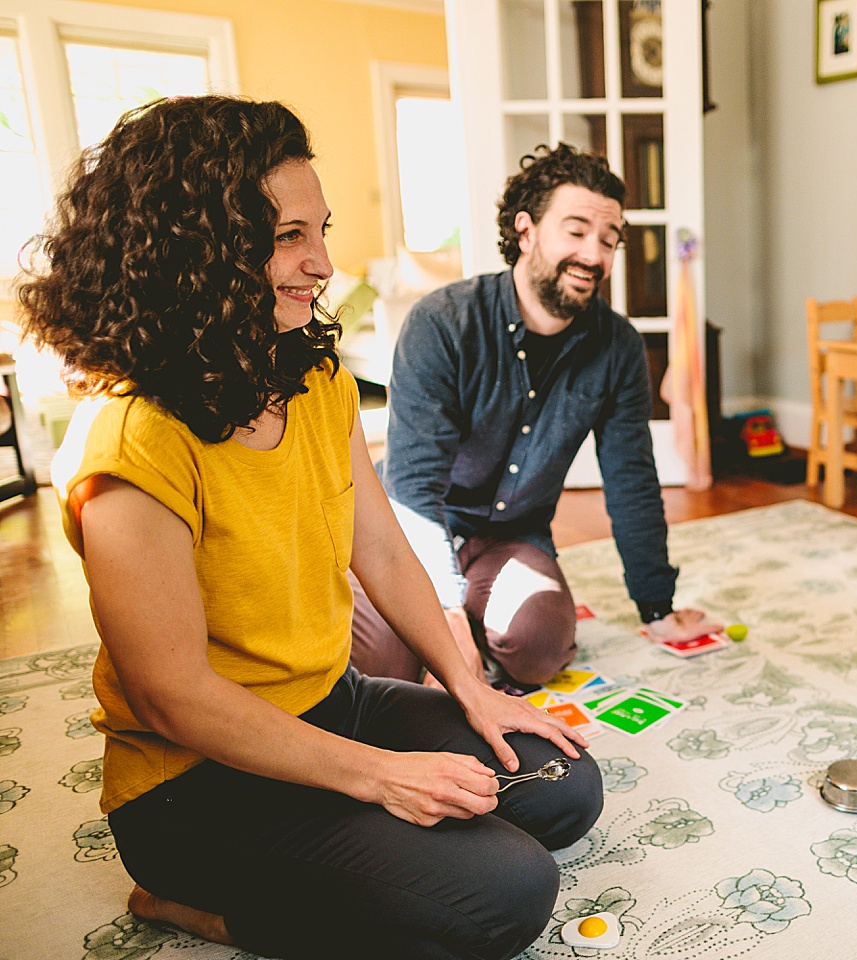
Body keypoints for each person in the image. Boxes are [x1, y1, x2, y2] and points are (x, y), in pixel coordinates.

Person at [20, 96, 601, 960]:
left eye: (320, 230)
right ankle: (191, 903)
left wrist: (469, 686)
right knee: (507, 895)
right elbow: (170, 695)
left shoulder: (314, 378)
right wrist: (382, 778)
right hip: (195, 784)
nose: (322, 262)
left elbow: (381, 547)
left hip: (332, 702)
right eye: (291, 235)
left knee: (560, 785)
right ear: (201, 245)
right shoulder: (133, 439)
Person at [351, 142, 713, 688]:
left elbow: (632, 481)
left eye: (608, 240)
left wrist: (656, 607)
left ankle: (475, 612)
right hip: (411, 530)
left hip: (508, 538)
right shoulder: (443, 324)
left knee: (542, 648)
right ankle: (456, 610)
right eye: (576, 230)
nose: (594, 254)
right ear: (526, 230)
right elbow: (413, 486)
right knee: (388, 668)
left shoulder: (618, 348)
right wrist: (447, 612)